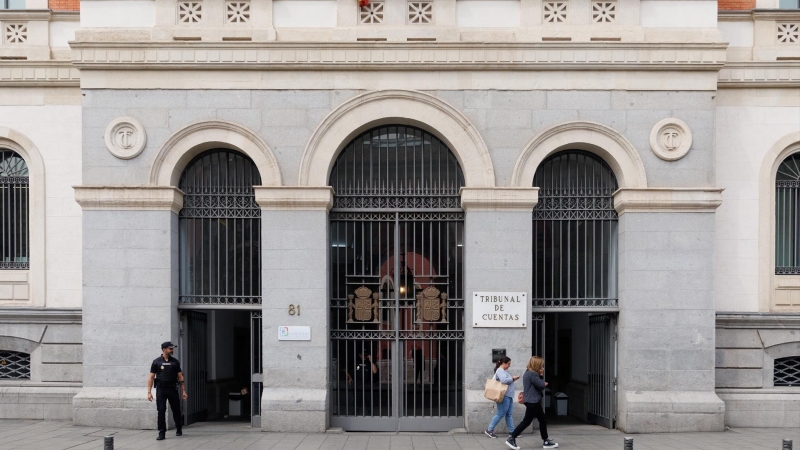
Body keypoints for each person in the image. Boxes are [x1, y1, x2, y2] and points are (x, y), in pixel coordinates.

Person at [505, 356, 558, 449]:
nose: (542, 367)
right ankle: (512, 438)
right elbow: (541, 385)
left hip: (532, 400)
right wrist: (542, 378)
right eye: (541, 365)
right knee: (527, 421)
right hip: (533, 401)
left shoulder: (527, 372)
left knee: (542, 420)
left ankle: (545, 440)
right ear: (537, 365)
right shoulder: (533, 374)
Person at [147, 341, 188, 440]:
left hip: (172, 388)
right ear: (164, 349)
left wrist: (183, 391)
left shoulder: (175, 362)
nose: (172, 350)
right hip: (161, 389)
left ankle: (179, 428)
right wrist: (149, 392)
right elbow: (151, 377)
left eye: (172, 348)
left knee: (176, 410)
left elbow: (180, 377)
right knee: (161, 410)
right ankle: (161, 433)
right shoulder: (156, 362)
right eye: (170, 348)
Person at [484, 356, 519, 439]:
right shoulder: (500, 370)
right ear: (503, 363)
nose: (509, 365)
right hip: (504, 396)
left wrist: (511, 378)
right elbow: (503, 380)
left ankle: (512, 432)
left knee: (509, 414)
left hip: (508, 396)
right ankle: (489, 429)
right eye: (508, 364)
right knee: (501, 414)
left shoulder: (502, 371)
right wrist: (513, 378)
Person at [346, 346, 379, 415]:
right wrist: (350, 377)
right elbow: (346, 369)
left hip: (367, 385)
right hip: (357, 385)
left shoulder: (369, 363)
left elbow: (375, 371)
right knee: (357, 401)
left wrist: (371, 361)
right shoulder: (355, 362)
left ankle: (370, 414)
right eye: (363, 354)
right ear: (359, 354)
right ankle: (355, 413)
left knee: (369, 401)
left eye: (365, 354)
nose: (364, 356)